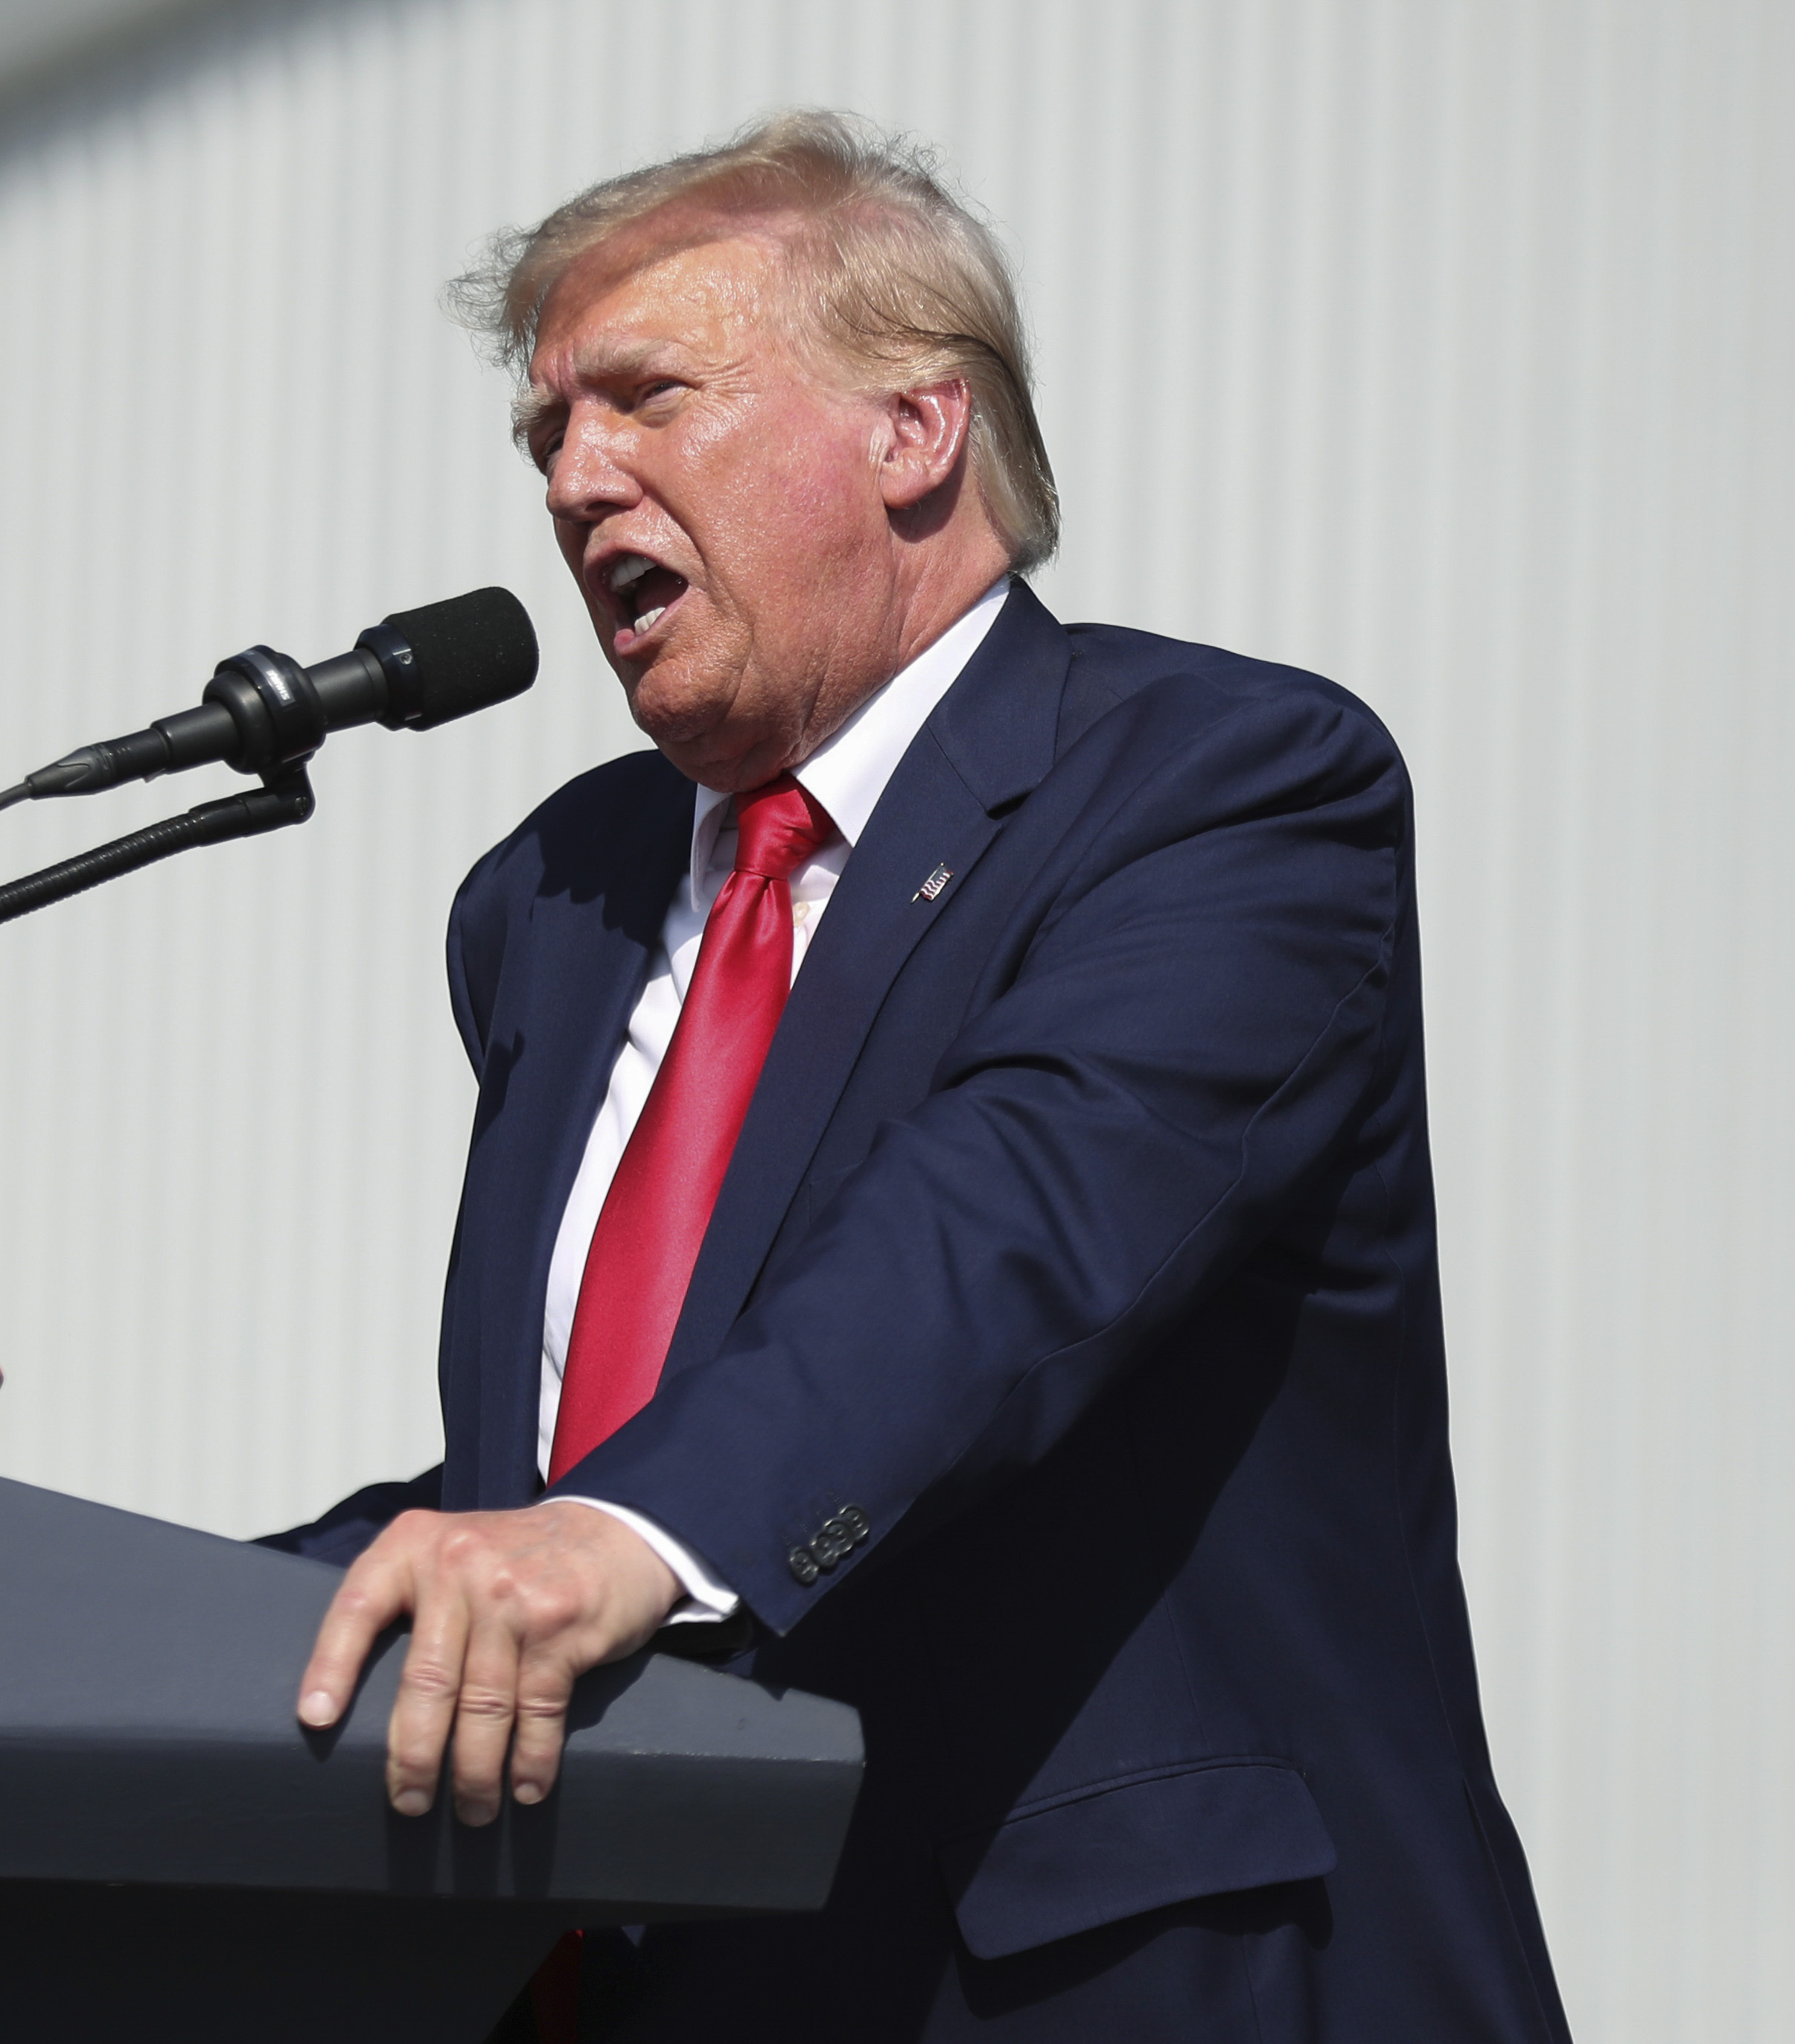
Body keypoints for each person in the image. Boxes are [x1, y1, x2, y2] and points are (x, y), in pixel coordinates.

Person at [267, 112, 1570, 2040]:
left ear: (915, 430)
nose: (573, 475)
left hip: (1112, 1978)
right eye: (548, 430)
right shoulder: (556, 899)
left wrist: (610, 1540)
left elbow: (1008, 1233)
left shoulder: (1220, 786)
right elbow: (541, 1482)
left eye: (646, 397)